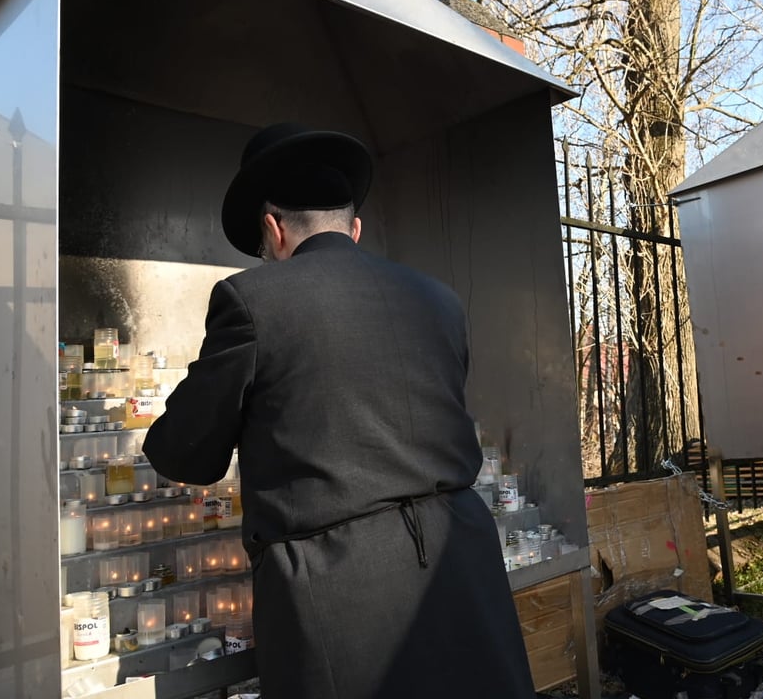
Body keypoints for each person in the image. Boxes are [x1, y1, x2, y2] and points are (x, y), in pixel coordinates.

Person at [143, 123, 537, 697]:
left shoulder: (251, 301)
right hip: (463, 570)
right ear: (353, 229)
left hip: (339, 598)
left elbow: (185, 452)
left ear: (273, 229)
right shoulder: (439, 299)